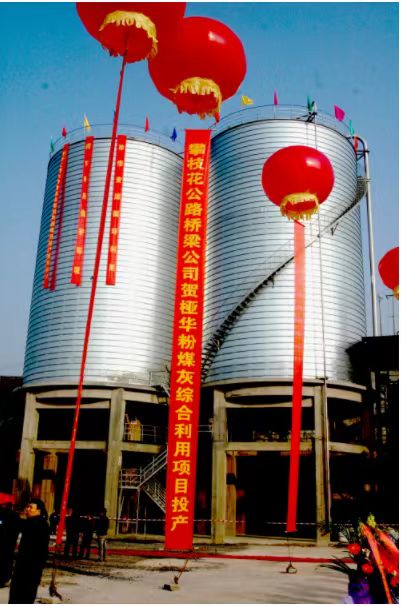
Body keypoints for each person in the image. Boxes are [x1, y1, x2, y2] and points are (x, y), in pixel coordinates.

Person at [8, 498, 50, 604]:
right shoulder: (35, 523)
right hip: (25, 570)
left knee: (22, 598)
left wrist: (11, 514)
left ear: (39, 511)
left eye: (31, 507)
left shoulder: (39, 524)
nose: (27, 509)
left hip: (29, 572)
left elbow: (20, 524)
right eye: (27, 507)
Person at [0, 501, 20, 587]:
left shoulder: (8, 515)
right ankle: (5, 578)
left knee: (5, 560)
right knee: (7, 560)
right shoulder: (15, 516)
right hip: (9, 543)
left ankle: (4, 578)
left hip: (6, 542)